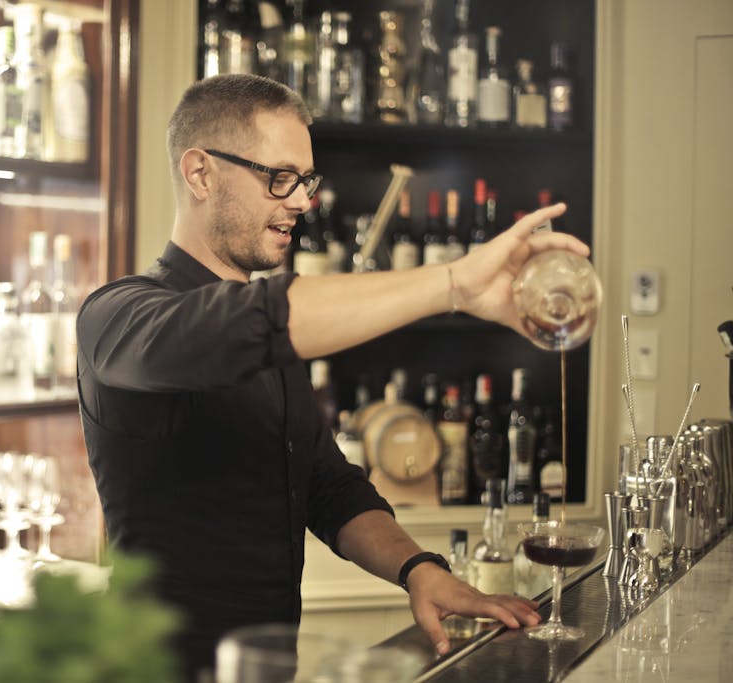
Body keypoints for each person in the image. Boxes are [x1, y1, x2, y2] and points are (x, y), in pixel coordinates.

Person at [76, 73, 588, 681]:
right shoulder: (119, 317)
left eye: (306, 180)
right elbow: (248, 323)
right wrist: (453, 283)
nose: (301, 201)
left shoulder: (277, 344)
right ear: (201, 174)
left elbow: (329, 486)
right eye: (279, 178)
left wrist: (420, 571)